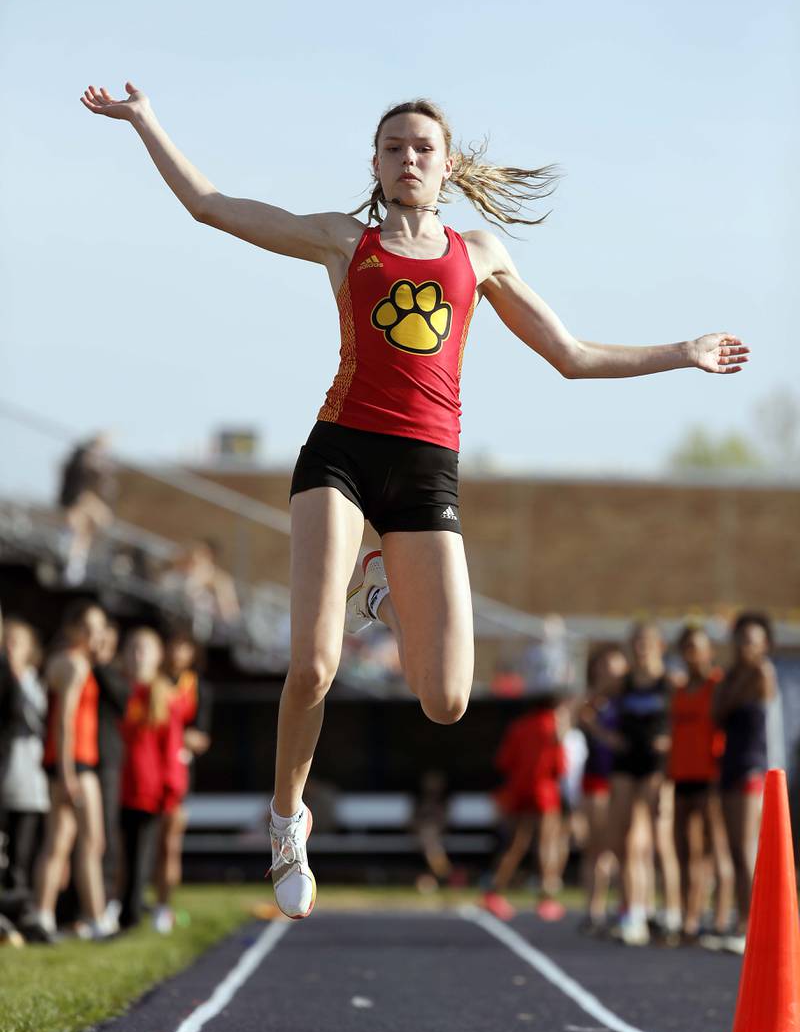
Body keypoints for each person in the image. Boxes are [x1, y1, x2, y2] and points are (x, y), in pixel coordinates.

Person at [81, 81, 749, 920]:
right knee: (315, 662)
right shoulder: (342, 240)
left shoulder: (480, 253)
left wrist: (682, 351)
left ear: (445, 165)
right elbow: (211, 207)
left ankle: (379, 593)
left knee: (447, 697)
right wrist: (146, 121)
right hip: (341, 458)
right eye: (394, 147)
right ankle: (288, 820)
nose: (408, 159)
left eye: (422, 148)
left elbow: (572, 356)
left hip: (428, 473)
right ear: (376, 162)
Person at [31, 600, 111, 941]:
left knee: (58, 842)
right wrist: (67, 773)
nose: (96, 635)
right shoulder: (74, 664)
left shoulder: (67, 661)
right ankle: (96, 920)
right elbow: (64, 720)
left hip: (65, 762)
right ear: (74, 629)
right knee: (92, 842)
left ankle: (42, 916)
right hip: (75, 762)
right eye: (89, 628)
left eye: (100, 628)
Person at [607, 623, 681, 946]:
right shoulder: (622, 684)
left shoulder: (670, 683)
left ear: (659, 645)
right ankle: (632, 913)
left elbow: (690, 717)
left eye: (647, 643)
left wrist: (672, 742)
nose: (641, 648)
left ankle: (673, 914)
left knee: (660, 840)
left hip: (656, 766)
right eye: (636, 642)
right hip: (626, 763)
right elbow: (586, 707)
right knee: (625, 840)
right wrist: (606, 737)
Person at [713, 611, 776, 953]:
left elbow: (752, 696)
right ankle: (742, 920)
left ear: (764, 644)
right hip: (730, 766)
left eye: (751, 641)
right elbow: (717, 713)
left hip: (753, 766)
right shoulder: (730, 676)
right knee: (735, 850)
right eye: (740, 640)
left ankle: (756, 924)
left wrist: (738, 677)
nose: (744, 647)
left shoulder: (761, 673)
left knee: (746, 847)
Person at [669, 625, 733, 942]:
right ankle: (689, 918)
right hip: (682, 776)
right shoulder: (680, 690)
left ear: (709, 651)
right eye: (686, 648)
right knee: (686, 853)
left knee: (715, 851)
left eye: (697, 647)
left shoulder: (717, 684)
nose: (691, 654)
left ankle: (720, 919)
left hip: (711, 777)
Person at [118, 629, 185, 930]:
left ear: (158, 656)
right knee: (117, 852)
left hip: (148, 789)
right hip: (118, 786)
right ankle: (118, 905)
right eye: (132, 648)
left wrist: (172, 787)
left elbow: (171, 747)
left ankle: (153, 907)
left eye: (144, 649)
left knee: (151, 851)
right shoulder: (117, 690)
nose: (137, 656)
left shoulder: (163, 696)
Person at [481, 697, 567, 920]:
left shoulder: (519, 725)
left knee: (515, 843)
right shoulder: (554, 726)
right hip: (544, 791)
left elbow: (504, 761)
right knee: (547, 844)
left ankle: (494, 892)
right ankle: (547, 898)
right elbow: (561, 767)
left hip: (519, 789)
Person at [153, 631, 212, 933]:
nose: (177, 652)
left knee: (169, 843)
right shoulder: (151, 681)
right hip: (146, 771)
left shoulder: (196, 686)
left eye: (184, 646)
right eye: (172, 644)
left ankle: (163, 906)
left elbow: (201, 737)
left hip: (177, 773)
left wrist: (180, 734)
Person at [577, 643, 628, 934]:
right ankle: (593, 909)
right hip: (593, 778)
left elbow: (619, 742)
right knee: (594, 847)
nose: (608, 673)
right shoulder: (591, 702)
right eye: (603, 667)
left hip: (619, 780)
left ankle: (624, 906)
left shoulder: (626, 702)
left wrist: (595, 727)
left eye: (613, 667)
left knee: (619, 848)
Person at [0, 618, 48, 898]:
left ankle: (17, 902)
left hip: (27, 777)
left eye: (17, 641)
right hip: (4, 772)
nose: (9, 646)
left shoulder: (35, 683)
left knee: (22, 849)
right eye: (6, 639)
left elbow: (37, 718)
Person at [92, 617, 129, 907]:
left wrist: (100, 663)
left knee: (106, 831)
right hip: (82, 760)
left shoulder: (114, 673)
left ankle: (109, 897)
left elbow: (123, 703)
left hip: (107, 759)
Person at [58, 434, 117, 586]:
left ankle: (75, 564)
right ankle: (69, 550)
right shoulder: (82, 459)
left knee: (85, 531)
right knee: (90, 522)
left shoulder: (95, 462)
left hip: (82, 500)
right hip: (76, 498)